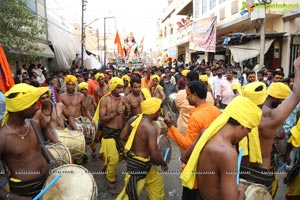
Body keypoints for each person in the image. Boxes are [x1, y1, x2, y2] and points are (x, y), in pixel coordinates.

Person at [239, 57, 300, 197]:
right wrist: (297, 66)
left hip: (240, 170)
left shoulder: (235, 118)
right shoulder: (270, 118)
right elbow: (297, 94)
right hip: (263, 173)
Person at [180, 96, 262, 200]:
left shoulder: (206, 132)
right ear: (243, 127)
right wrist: (241, 192)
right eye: (248, 131)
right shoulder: (227, 153)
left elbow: (186, 159)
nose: (245, 135)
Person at [164, 80, 221, 199]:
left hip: (196, 168)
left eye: (188, 94)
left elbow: (187, 146)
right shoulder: (216, 111)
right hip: (212, 165)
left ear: (195, 95)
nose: (186, 97)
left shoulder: (196, 116)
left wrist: (171, 127)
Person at [0, 83, 50, 199]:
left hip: (47, 181)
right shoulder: (2, 137)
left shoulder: (34, 124)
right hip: (24, 190)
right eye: (33, 104)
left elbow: (42, 147)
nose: (37, 107)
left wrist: (54, 163)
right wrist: (12, 197)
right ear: (20, 107)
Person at [117, 97, 167, 200]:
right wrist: (163, 163)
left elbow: (122, 136)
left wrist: (134, 145)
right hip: (139, 166)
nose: (159, 113)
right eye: (158, 111)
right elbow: (154, 153)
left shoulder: (134, 119)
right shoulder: (151, 128)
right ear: (153, 111)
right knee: (128, 195)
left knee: (157, 183)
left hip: (144, 163)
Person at [95, 77, 130, 194]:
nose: (121, 89)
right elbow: (102, 119)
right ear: (113, 87)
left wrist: (126, 111)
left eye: (122, 87)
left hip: (121, 133)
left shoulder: (123, 99)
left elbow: (126, 116)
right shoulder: (105, 101)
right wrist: (115, 113)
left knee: (121, 156)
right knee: (114, 159)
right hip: (109, 133)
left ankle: (107, 166)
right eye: (118, 87)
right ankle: (111, 181)